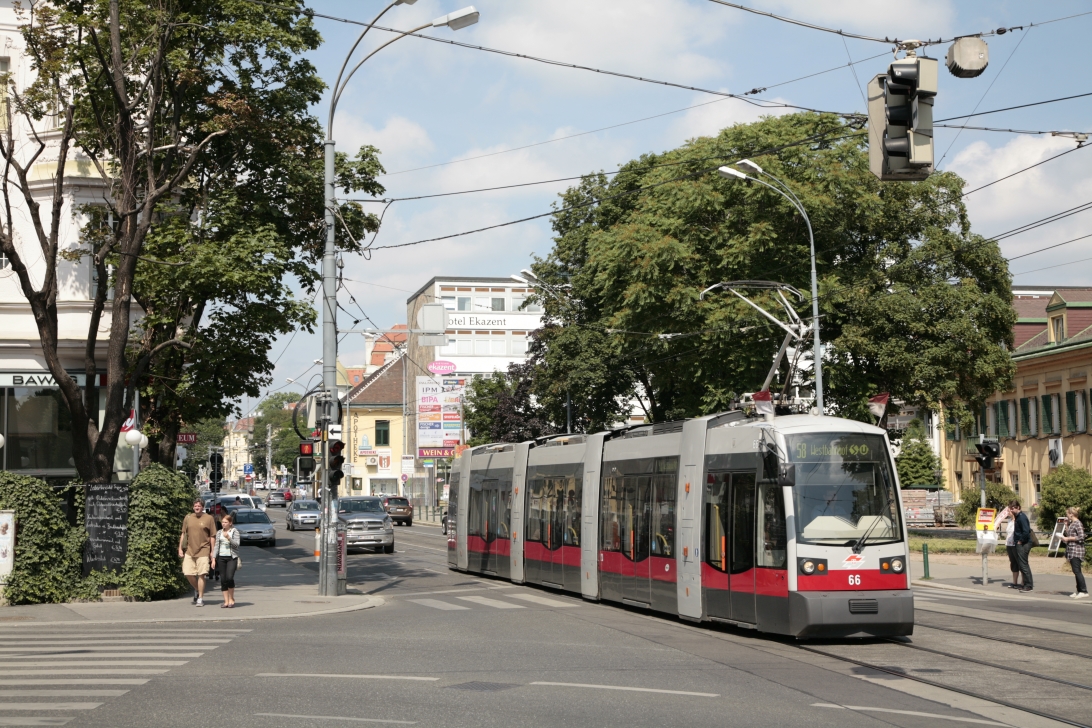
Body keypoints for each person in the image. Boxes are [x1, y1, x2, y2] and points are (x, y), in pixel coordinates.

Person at [178, 498, 216, 607]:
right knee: (187, 573)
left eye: (199, 506)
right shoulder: (188, 518)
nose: (197, 508)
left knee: (201, 574)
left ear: (203, 507)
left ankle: (200, 598)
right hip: (190, 550)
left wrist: (212, 551)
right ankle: (197, 589)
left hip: (203, 549)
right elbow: (183, 534)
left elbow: (212, 536)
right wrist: (180, 548)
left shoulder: (209, 518)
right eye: (195, 506)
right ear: (193, 507)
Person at [1059, 506, 1088, 599]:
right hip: (1071, 550)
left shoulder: (1078, 523)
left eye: (1067, 513)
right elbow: (1070, 534)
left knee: (1077, 571)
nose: (1066, 515)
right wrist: (1066, 526)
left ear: (1071, 514)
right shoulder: (1072, 524)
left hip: (1077, 550)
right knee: (1075, 571)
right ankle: (1079, 590)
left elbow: (1081, 536)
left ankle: (1083, 590)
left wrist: (1068, 538)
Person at [215, 513, 241, 608]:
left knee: (229, 578)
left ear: (230, 523)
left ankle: (231, 598)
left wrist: (229, 538)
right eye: (222, 522)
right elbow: (216, 546)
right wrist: (214, 558)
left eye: (226, 522)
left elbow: (236, 545)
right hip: (221, 558)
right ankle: (226, 601)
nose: (223, 524)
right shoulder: (219, 532)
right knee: (223, 579)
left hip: (231, 558)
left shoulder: (235, 532)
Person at [993, 504, 1022, 589]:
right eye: (1008, 511)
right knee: (1013, 563)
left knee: (1020, 563)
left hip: (1016, 544)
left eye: (1009, 511)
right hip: (1009, 544)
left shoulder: (1018, 520)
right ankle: (1014, 582)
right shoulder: (1009, 521)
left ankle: (1023, 582)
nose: (1008, 512)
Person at [1010, 500, 1034, 593]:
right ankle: (1025, 584)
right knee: (1022, 564)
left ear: (1018, 507)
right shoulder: (1018, 517)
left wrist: (1021, 541)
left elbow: (1026, 531)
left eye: (1013, 508)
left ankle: (1028, 585)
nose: (1012, 510)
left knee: (1023, 565)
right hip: (1021, 543)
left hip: (1024, 543)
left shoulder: (1022, 517)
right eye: (1011, 509)